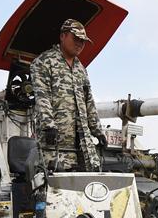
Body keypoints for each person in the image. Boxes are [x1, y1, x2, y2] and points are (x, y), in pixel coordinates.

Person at [30, 19, 108, 171]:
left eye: (83, 41)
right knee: (54, 186)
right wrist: (48, 126)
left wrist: (98, 131)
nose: (80, 44)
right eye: (76, 39)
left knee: (85, 186)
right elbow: (42, 95)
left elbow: (89, 102)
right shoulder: (44, 62)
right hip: (54, 142)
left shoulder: (81, 69)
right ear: (63, 36)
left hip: (81, 143)